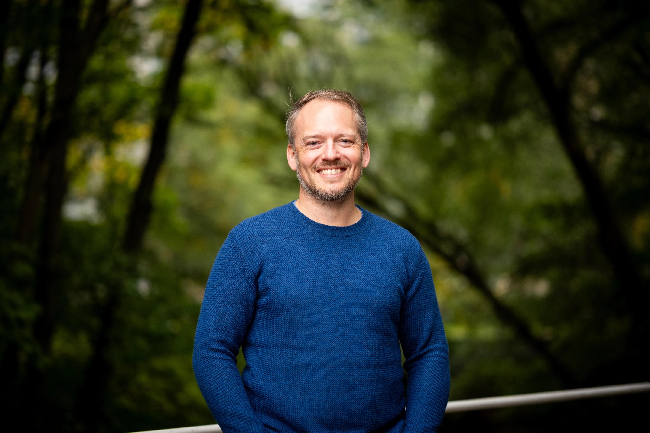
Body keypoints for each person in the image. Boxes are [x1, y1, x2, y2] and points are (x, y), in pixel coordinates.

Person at [193, 89, 450, 432]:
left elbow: (429, 354)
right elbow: (211, 351)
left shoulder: (402, 249)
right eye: (313, 143)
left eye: (344, 140)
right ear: (293, 155)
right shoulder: (249, 243)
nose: (330, 154)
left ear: (364, 152)